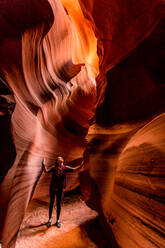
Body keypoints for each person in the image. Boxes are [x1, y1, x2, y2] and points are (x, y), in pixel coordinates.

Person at [42, 156, 83, 228]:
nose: (61, 159)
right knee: (51, 203)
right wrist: (43, 164)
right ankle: (50, 220)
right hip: (53, 188)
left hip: (60, 188)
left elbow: (75, 169)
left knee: (58, 204)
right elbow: (46, 171)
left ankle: (58, 220)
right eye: (59, 158)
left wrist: (81, 165)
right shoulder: (54, 168)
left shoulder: (65, 168)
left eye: (61, 158)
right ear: (57, 161)